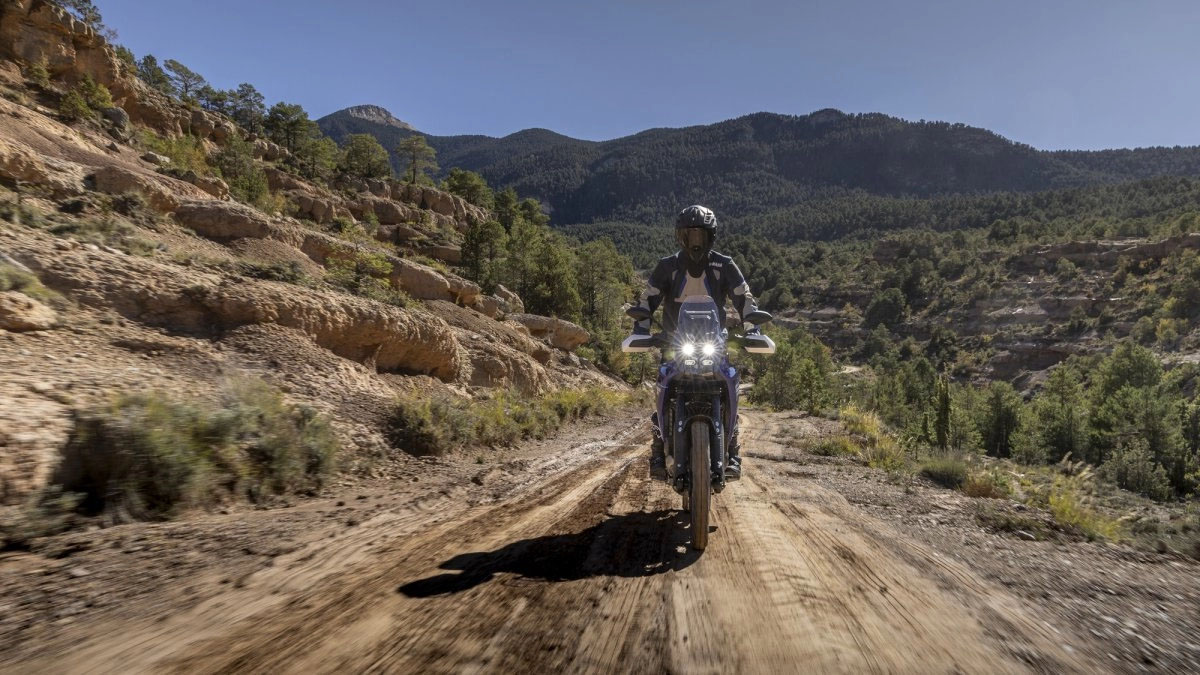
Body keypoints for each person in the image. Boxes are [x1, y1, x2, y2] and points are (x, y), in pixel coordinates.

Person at [629, 205, 762, 481]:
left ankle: (733, 451)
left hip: (715, 342)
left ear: (711, 236)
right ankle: (657, 450)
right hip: (674, 343)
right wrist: (640, 328)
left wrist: (753, 329)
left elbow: (744, 298)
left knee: (729, 385)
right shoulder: (667, 266)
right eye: (690, 235)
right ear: (681, 236)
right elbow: (647, 299)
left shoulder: (724, 265)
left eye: (701, 235)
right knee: (663, 387)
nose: (695, 241)